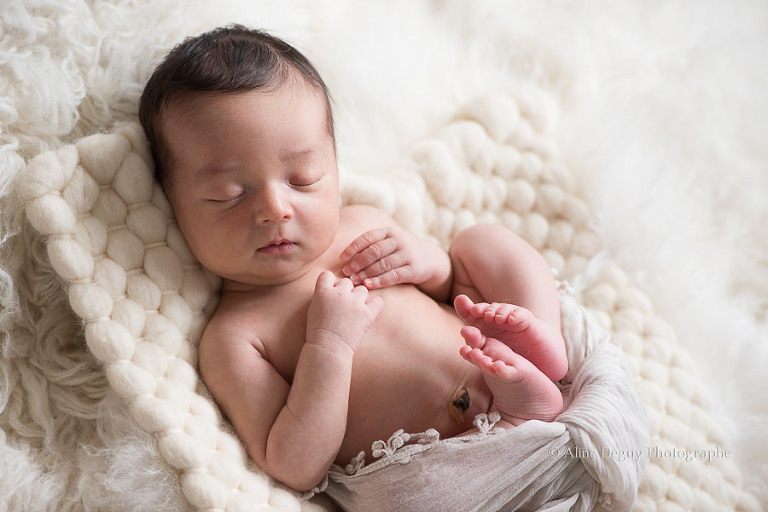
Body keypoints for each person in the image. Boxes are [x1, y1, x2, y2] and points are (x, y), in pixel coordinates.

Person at [138, 25, 568, 493]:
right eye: (228, 195)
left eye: (302, 179)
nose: (275, 210)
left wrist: (432, 264)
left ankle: (540, 342)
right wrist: (329, 347)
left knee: (483, 242)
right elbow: (292, 463)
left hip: (500, 372)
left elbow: (451, 293)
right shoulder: (235, 338)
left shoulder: (361, 228)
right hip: (432, 474)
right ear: (173, 206)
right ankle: (527, 409)